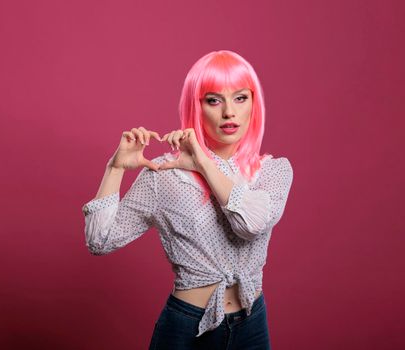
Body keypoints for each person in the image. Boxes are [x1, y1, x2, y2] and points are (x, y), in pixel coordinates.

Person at [81, 50, 294, 350]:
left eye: (240, 98)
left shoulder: (274, 171)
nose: (229, 112)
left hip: (252, 323)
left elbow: (250, 224)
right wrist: (114, 168)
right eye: (214, 100)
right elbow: (100, 242)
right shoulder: (164, 175)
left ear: (253, 104)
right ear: (197, 106)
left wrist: (203, 164)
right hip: (186, 329)